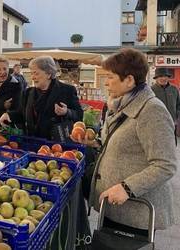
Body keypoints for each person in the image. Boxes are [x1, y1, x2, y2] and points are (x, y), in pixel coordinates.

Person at [72, 48, 177, 235]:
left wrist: (127, 188)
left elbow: (165, 164)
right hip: (113, 207)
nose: (106, 82)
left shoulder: (152, 111)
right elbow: (122, 142)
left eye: (111, 77)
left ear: (129, 80)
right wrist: (94, 142)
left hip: (135, 213)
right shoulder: (122, 103)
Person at [0, 56, 83, 141]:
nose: (33, 77)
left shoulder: (67, 90)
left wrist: (67, 112)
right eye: (31, 73)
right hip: (32, 145)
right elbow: (21, 115)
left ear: (49, 74)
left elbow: (79, 115)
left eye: (36, 73)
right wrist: (8, 115)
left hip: (56, 147)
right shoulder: (27, 93)